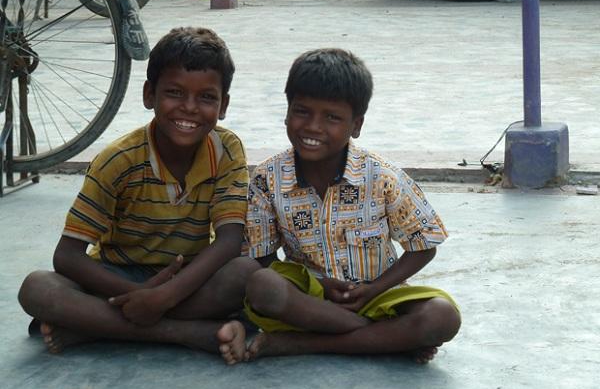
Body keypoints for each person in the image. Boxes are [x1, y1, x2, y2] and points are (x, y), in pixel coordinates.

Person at [18, 27, 260, 354]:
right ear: (149, 95)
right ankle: (184, 333)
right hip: (116, 277)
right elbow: (67, 256)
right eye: (174, 92)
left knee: (246, 273)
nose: (189, 107)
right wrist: (141, 293)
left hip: (186, 280)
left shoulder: (226, 149)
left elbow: (230, 240)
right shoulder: (117, 160)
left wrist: (163, 296)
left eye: (206, 97)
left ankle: (97, 329)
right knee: (37, 288)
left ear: (224, 104)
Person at [218, 48, 461, 365]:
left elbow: (424, 246)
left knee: (442, 317)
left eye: (332, 117)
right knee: (262, 285)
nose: (313, 127)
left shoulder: (382, 177)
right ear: (287, 113)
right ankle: (383, 338)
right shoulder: (267, 179)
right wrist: (318, 285)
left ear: (356, 125)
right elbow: (262, 257)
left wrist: (374, 289)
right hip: (309, 301)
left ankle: (299, 344)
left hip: (378, 296)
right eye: (302, 111)